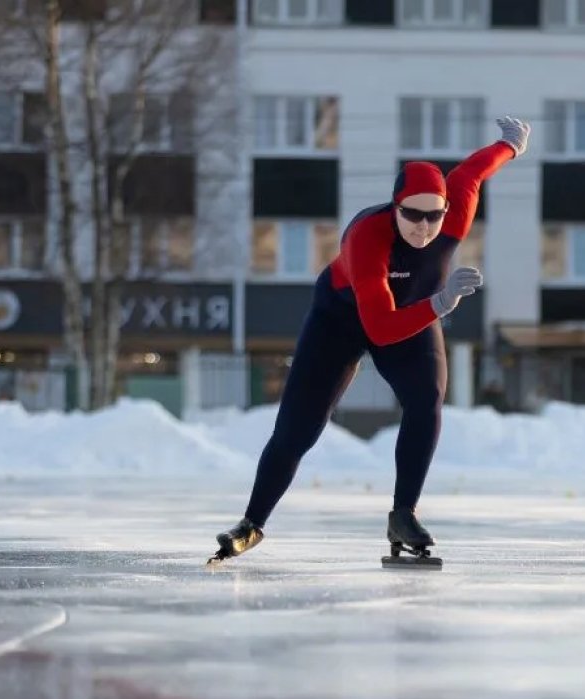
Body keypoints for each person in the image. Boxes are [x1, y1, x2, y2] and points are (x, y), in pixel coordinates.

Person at [211, 115, 532, 566]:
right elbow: (379, 327)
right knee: (299, 428)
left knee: (427, 399)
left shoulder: (454, 213)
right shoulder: (367, 237)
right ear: (395, 207)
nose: (423, 227)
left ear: (447, 209)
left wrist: (510, 145)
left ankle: (404, 515)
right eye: (412, 214)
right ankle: (251, 524)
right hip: (341, 320)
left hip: (412, 314)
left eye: (434, 215)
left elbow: (472, 172)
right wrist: (441, 303)